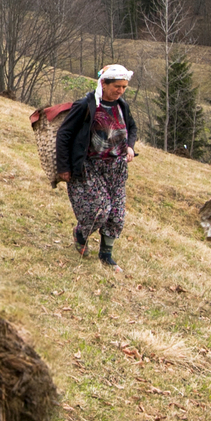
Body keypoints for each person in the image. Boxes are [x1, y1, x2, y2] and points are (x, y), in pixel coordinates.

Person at [54, 64, 138, 271]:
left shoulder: (122, 106)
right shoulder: (86, 105)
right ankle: (81, 234)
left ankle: (106, 255)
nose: (120, 91)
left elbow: (132, 127)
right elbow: (64, 134)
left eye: (124, 87)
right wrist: (63, 166)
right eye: (117, 86)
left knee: (116, 214)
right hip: (89, 167)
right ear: (104, 83)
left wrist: (129, 147)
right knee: (99, 210)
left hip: (116, 168)